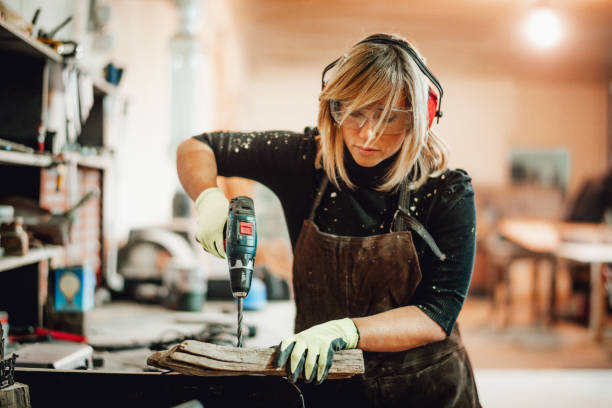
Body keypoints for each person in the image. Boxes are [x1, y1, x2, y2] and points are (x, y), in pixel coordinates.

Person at [177, 33, 481, 407]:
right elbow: (197, 146)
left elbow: (438, 313)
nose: (368, 135)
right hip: (325, 387)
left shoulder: (445, 190)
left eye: (389, 119)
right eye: (354, 113)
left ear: (421, 117)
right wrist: (208, 198)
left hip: (424, 391)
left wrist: (347, 330)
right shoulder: (306, 160)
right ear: (332, 108)